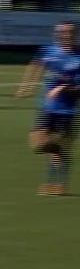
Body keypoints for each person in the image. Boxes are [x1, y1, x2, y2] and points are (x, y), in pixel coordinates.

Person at [16, 20, 80, 196]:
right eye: (61, 32)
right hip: (46, 107)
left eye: (69, 32)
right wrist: (26, 86)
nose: (65, 35)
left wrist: (62, 88)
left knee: (55, 149)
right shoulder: (47, 50)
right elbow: (35, 65)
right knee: (37, 143)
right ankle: (59, 154)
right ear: (56, 34)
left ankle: (57, 184)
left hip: (67, 111)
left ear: (74, 34)